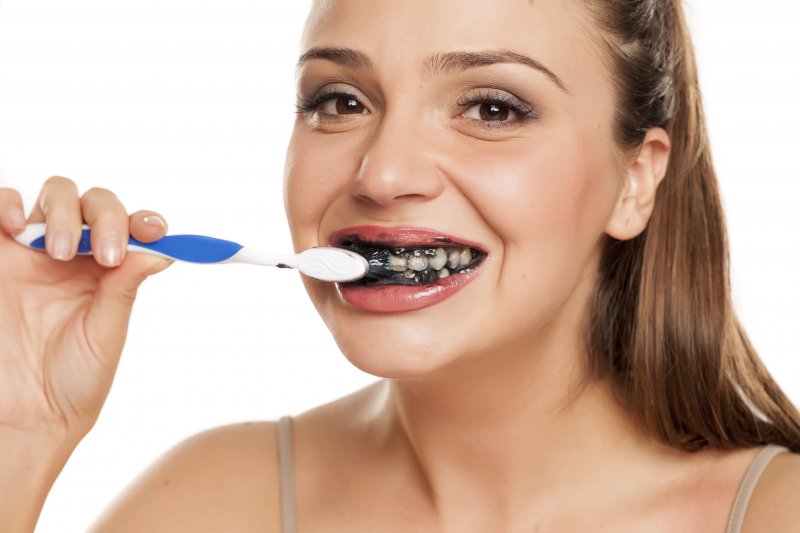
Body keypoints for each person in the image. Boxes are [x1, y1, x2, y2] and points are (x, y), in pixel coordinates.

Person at [2, 0, 799, 531]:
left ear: (636, 179)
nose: (381, 174)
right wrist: (18, 438)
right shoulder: (212, 504)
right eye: (340, 101)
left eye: (491, 108)